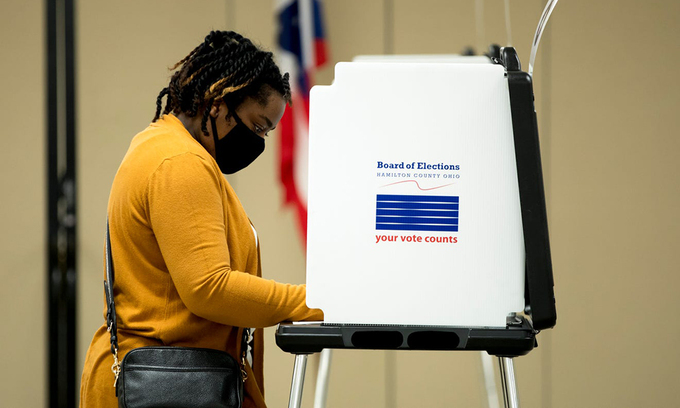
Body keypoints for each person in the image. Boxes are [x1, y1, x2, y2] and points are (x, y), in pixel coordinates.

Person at [79, 30, 323, 408]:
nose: (259, 142)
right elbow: (210, 288)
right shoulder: (180, 163)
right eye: (258, 126)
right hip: (165, 386)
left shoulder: (158, 145)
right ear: (219, 102)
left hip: (161, 380)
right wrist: (315, 300)